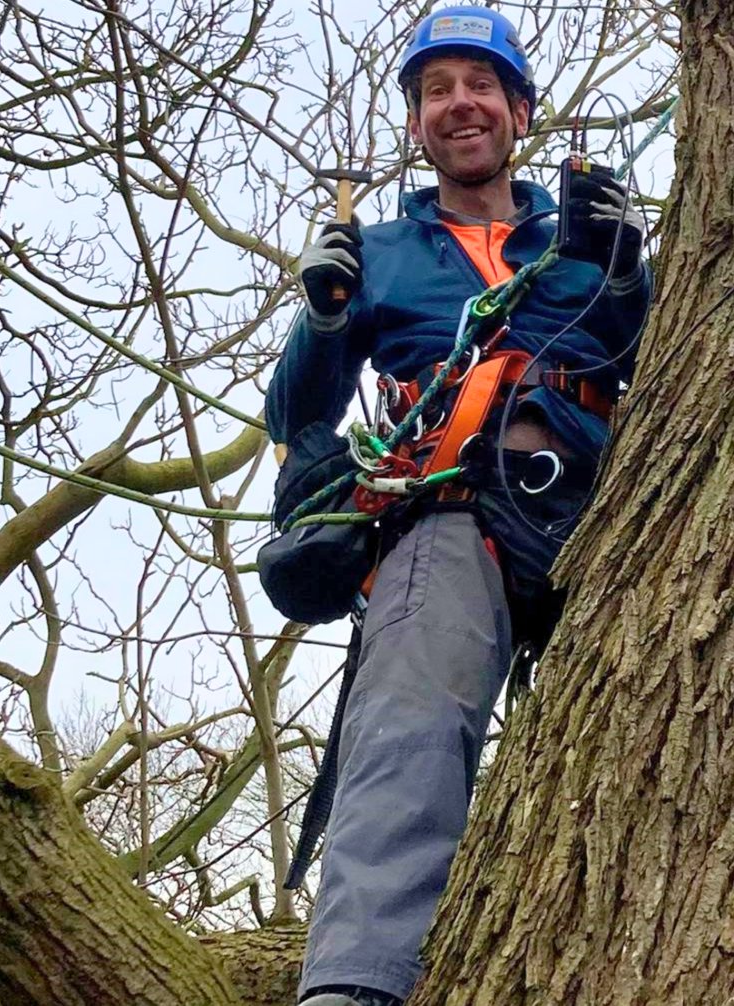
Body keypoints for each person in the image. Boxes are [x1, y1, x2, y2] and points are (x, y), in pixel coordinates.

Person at [264, 6, 651, 1004]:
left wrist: (631, 269)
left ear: (518, 109)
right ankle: (358, 983)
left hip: (610, 517)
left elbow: (673, 362)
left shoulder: (578, 236)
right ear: (417, 121)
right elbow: (298, 414)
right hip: (452, 508)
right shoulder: (380, 252)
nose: (460, 105)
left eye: (480, 85)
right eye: (436, 91)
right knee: (409, 725)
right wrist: (324, 314)